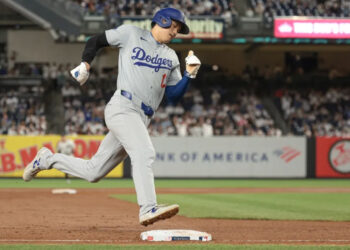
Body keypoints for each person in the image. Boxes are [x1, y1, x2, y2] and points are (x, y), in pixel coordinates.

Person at [23, 7, 201, 226]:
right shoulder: (131, 34)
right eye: (174, 26)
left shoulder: (171, 56)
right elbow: (95, 40)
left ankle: (47, 159)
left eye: (178, 29)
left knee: (93, 172)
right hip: (123, 107)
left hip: (142, 117)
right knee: (144, 152)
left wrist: (189, 74)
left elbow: (173, 97)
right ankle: (147, 208)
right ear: (162, 20)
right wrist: (86, 63)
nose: (175, 32)